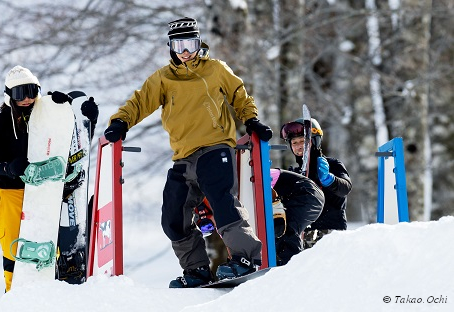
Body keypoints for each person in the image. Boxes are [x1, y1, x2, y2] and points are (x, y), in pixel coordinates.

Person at [103, 17, 273, 288]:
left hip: (215, 146)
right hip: (183, 157)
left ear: (199, 44)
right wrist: (121, 122)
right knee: (173, 215)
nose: (185, 52)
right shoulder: (164, 78)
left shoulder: (215, 69)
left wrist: (251, 120)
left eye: (191, 44)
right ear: (171, 47)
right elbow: (139, 101)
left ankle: (244, 257)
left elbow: (239, 94)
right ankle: (196, 269)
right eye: (179, 45)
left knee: (221, 200)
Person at [0, 65, 98, 292]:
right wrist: (10, 168)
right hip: (10, 192)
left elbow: (72, 149)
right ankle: (14, 297)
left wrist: (79, 117)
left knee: (45, 246)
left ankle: (48, 294)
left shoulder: (47, 118)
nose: (27, 99)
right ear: (9, 96)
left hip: (43, 192)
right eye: (19, 93)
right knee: (15, 250)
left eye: (31, 91)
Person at [195, 167, 324, 266]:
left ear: (205, 212)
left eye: (207, 226)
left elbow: (257, 178)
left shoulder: (222, 201)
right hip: (292, 194)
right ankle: (288, 264)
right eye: (206, 231)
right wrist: (236, 260)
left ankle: (292, 267)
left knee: (282, 229)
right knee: (272, 233)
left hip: (305, 191)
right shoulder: (222, 219)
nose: (212, 229)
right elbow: (234, 241)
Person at [280, 117, 352, 248]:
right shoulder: (294, 173)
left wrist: (330, 180)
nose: (299, 146)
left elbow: (345, 188)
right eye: (294, 143)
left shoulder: (332, 164)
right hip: (303, 237)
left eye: (303, 141)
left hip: (331, 234)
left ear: (315, 140)